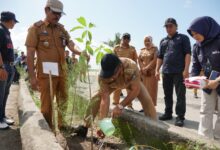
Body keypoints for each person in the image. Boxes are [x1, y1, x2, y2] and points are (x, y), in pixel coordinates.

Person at [25, 0, 89, 129]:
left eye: (60, 14)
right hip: (46, 73)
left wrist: (80, 52)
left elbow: (70, 43)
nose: (57, 16)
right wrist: (32, 77)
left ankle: (62, 125)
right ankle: (48, 129)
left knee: (63, 100)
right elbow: (30, 53)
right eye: (55, 13)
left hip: (62, 72)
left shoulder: (61, 29)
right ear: (46, 10)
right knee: (47, 104)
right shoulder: (36, 28)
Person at [73, 54, 156, 138]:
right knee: (96, 98)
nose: (110, 77)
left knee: (147, 100)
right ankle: (85, 126)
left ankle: (154, 132)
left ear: (119, 67)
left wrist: (120, 105)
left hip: (130, 82)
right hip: (112, 85)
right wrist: (103, 124)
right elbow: (104, 99)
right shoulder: (103, 76)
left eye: (112, 73)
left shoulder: (131, 66)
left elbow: (135, 90)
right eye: (107, 74)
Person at [187, 16, 220, 139]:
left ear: (205, 28)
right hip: (207, 83)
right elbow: (195, 66)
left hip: (217, 80)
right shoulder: (197, 46)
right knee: (205, 110)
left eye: (197, 32)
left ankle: (217, 141)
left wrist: (217, 80)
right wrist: (192, 80)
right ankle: (204, 140)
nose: (194, 36)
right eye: (192, 34)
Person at [156, 18, 191, 127]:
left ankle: (180, 117)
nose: (168, 28)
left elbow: (188, 54)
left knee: (180, 95)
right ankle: (168, 113)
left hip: (179, 72)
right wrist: (157, 70)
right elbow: (160, 57)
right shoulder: (163, 41)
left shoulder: (183, 38)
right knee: (167, 94)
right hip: (166, 71)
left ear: (176, 26)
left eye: (170, 26)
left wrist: (186, 69)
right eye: (166, 26)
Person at [0, 11, 18, 129]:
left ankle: (2, 116)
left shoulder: (6, 32)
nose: (14, 24)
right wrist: (1, 67)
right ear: (10, 20)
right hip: (3, 66)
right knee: (0, 93)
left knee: (5, 93)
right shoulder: (0, 30)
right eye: (14, 21)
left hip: (9, 66)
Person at [113, 33, 138, 110]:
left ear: (129, 40)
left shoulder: (133, 49)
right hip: (118, 71)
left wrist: (135, 71)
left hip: (129, 72)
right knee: (117, 88)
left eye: (127, 38)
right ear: (121, 38)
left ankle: (129, 105)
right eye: (124, 38)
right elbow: (113, 59)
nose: (126, 39)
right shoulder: (116, 48)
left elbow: (135, 60)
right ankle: (115, 104)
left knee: (129, 89)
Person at [138, 36, 158, 106]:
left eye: (148, 40)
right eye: (145, 41)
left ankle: (151, 107)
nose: (147, 42)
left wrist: (146, 68)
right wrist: (142, 68)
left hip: (151, 73)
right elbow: (139, 60)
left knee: (151, 90)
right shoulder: (142, 50)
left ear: (151, 41)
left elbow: (155, 59)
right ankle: (144, 106)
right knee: (144, 91)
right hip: (143, 73)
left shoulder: (155, 49)